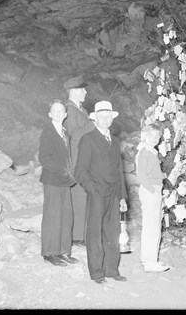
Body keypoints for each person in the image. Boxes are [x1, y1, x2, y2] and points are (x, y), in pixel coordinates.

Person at [74, 100, 128, 284]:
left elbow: (119, 170)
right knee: (95, 233)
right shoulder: (87, 139)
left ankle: (112, 270)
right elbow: (80, 171)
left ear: (111, 119)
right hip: (97, 193)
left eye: (108, 116)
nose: (105, 119)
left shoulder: (115, 141)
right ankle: (97, 273)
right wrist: (93, 190)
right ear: (95, 118)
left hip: (113, 194)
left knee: (112, 233)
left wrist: (122, 196)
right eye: (101, 116)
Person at [38, 100, 78, 267]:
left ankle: (63, 250)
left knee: (66, 216)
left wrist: (71, 173)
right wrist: (62, 171)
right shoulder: (47, 132)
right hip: (53, 179)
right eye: (55, 111)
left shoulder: (65, 133)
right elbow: (44, 158)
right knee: (53, 216)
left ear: (66, 114)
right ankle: (50, 252)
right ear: (50, 114)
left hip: (64, 180)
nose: (58, 113)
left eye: (61, 111)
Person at [63, 76, 95, 246]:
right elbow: (75, 137)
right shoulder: (69, 111)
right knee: (79, 196)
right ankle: (77, 237)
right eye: (82, 89)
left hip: (84, 158)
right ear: (74, 91)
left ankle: (82, 234)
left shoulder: (79, 109)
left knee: (84, 196)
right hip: (76, 160)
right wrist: (93, 123)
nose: (86, 92)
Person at [135, 124, 171, 273]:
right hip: (150, 191)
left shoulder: (152, 152)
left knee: (154, 225)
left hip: (155, 190)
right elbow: (141, 176)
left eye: (157, 136)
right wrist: (152, 191)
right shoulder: (144, 152)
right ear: (145, 135)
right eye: (152, 135)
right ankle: (150, 262)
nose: (155, 139)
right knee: (151, 227)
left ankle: (150, 259)